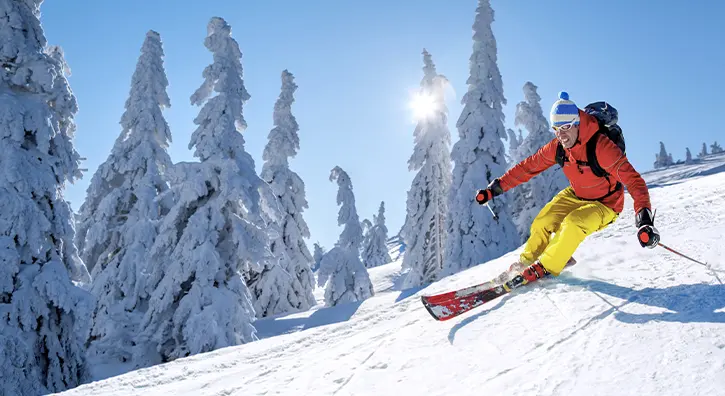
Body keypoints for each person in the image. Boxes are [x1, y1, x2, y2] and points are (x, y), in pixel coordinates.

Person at [475, 91, 660, 285]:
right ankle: (525, 263)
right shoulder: (558, 147)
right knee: (543, 221)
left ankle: (546, 266)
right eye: (556, 129)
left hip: (606, 204)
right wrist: (494, 189)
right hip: (577, 194)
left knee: (573, 223)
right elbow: (527, 168)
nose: (561, 135)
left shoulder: (601, 147)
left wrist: (644, 219)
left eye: (566, 127)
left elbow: (634, 181)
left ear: (578, 123)